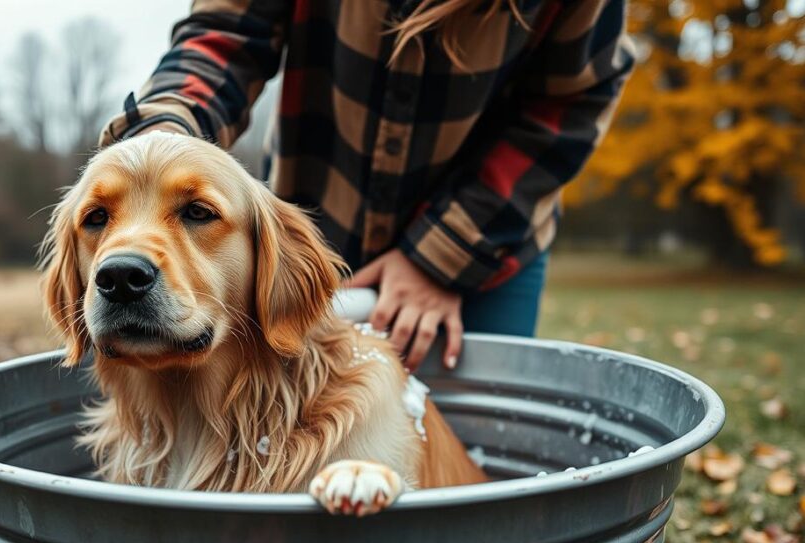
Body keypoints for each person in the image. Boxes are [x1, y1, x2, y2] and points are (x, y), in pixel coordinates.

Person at [99, 0, 634, 370]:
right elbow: (227, 36)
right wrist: (162, 135)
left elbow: (571, 101)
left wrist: (439, 258)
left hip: (486, 244)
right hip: (317, 224)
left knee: (474, 459)